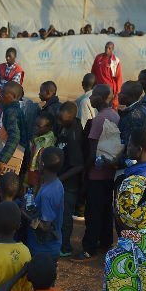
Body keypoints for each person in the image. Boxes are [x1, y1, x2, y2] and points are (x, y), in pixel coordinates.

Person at [73, 85, 118, 260]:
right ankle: (105, 243)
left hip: (96, 173)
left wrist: (85, 170)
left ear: (102, 97)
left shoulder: (99, 119)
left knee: (92, 212)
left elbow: (93, 150)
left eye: (94, 96)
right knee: (106, 210)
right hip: (108, 171)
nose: (90, 99)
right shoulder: (114, 114)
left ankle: (89, 247)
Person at [54, 101, 84, 257]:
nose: (59, 121)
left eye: (61, 118)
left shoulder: (74, 135)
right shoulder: (65, 128)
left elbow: (78, 165)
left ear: (71, 116)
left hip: (69, 184)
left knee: (65, 217)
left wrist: (60, 179)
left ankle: (65, 247)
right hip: (62, 181)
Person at [26, 147, 65, 259]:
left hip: (43, 250)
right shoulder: (56, 183)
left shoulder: (48, 193)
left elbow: (45, 226)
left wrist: (24, 214)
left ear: (42, 164)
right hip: (49, 247)